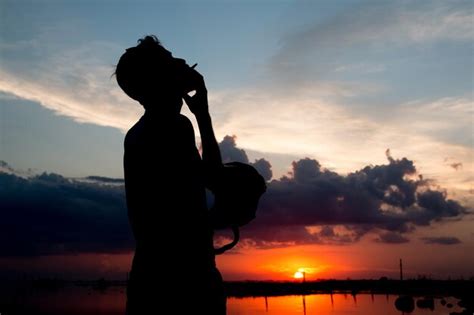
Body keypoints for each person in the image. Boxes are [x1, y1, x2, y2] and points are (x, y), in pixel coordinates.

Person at [115, 35, 226, 314]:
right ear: (160, 80)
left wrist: (202, 116)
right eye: (171, 62)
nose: (182, 63)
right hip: (182, 280)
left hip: (156, 275)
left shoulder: (147, 131)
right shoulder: (170, 129)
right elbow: (215, 179)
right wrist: (204, 115)